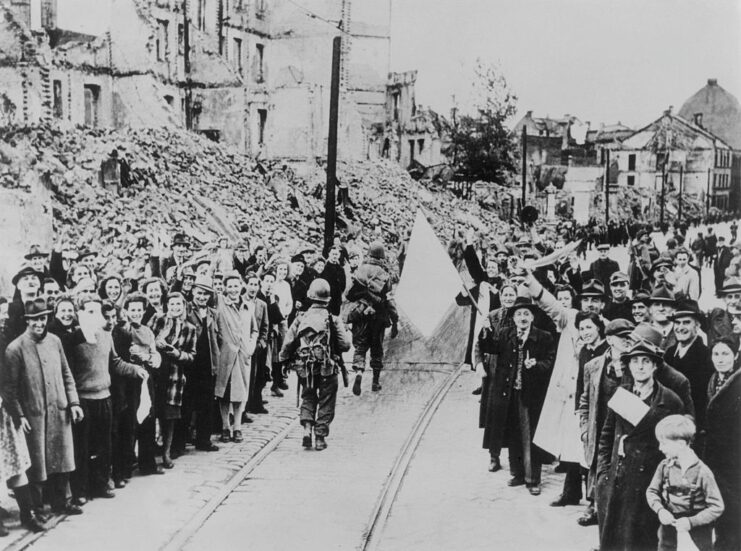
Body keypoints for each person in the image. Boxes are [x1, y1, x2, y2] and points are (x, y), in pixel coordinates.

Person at [596, 340, 684, 551]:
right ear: (629, 366)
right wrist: (603, 471)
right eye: (635, 361)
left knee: (642, 540)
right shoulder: (621, 395)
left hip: (649, 483)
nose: (640, 366)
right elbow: (606, 436)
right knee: (613, 539)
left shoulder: (670, 401)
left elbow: (680, 445)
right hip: (618, 478)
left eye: (646, 361)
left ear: (655, 366)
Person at [2, 297, 85, 520]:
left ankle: (62, 502)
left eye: (42, 318)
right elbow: (10, 389)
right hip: (34, 415)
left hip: (59, 410)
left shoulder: (56, 341)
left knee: (62, 459)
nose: (39, 324)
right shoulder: (15, 348)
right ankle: (36, 509)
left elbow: (67, 375)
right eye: (34, 320)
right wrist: (20, 416)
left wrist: (74, 402)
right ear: (27, 321)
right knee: (37, 466)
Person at [66, 295, 147, 502]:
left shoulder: (105, 336)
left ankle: (101, 484)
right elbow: (68, 372)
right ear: (81, 313)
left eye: (97, 312)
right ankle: (81, 491)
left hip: (105, 397)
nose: (94, 316)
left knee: (104, 445)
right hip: (84, 399)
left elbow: (116, 362)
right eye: (89, 312)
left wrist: (136, 370)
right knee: (83, 448)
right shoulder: (73, 338)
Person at [477, 297, 555, 495]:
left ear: (532, 317)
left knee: (529, 438)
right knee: (513, 436)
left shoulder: (543, 337)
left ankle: (532, 479)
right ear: (513, 318)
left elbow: (550, 363)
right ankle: (517, 474)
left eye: (526, 314)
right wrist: (485, 331)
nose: (522, 318)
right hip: (508, 394)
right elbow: (490, 348)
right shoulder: (505, 334)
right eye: (518, 314)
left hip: (530, 396)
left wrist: (536, 365)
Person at [280, 279, 351, 451]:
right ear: (327, 299)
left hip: (306, 368)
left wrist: (284, 361)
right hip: (327, 368)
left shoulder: (300, 318)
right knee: (327, 401)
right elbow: (345, 345)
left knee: (308, 395)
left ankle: (306, 430)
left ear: (310, 297)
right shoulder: (332, 319)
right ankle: (320, 437)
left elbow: (288, 343)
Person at [578, 319, 634, 528]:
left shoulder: (634, 365)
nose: (628, 341)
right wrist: (584, 428)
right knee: (597, 470)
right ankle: (594, 507)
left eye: (630, 337)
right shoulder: (592, 366)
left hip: (623, 430)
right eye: (623, 337)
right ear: (610, 339)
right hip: (599, 425)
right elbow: (585, 399)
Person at [646, 415, 724, 551]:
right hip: (668, 532)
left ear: (681, 444)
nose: (660, 448)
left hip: (697, 533)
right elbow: (652, 491)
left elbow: (717, 507)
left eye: (664, 443)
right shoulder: (664, 466)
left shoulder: (703, 472)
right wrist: (660, 510)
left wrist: (691, 522)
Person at [111, 293, 162, 483]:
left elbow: (153, 352)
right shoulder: (122, 331)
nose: (136, 313)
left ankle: (147, 464)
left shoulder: (147, 331)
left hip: (146, 376)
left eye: (140, 310)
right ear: (126, 311)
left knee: (148, 417)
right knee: (130, 422)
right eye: (133, 310)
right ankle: (124, 468)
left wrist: (153, 358)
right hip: (129, 380)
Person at [149, 292, 197, 468]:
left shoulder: (190, 328)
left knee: (170, 415)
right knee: (153, 413)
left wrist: (178, 354)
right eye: (172, 304)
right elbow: (145, 339)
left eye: (179, 305)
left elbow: (192, 355)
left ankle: (166, 453)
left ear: (184, 306)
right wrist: (157, 341)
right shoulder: (157, 319)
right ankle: (152, 450)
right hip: (156, 372)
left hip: (174, 375)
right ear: (167, 305)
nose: (175, 308)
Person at [703, 337, 741, 551]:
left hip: (733, 460)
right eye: (716, 354)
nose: (720, 359)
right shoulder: (713, 380)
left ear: (735, 356)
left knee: (733, 514)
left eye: (725, 354)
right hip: (716, 459)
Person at [347, 241, 398, 395]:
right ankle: (375, 383)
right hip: (378, 317)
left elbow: (349, 294)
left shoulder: (359, 271)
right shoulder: (385, 275)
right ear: (382, 256)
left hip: (360, 314)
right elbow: (389, 301)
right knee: (377, 348)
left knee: (360, 347)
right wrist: (395, 319)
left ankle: (359, 373)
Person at [214, 273, 257, 443]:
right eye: (229, 286)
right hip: (225, 356)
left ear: (242, 286)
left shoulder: (247, 306)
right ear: (225, 288)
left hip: (242, 355)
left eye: (236, 286)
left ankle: (237, 427)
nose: (233, 289)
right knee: (223, 393)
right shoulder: (220, 303)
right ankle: (225, 426)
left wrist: (250, 346)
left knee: (240, 393)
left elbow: (254, 330)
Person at [663, 300, 713, 442]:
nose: (680, 327)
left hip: (692, 428)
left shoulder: (705, 355)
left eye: (686, 323)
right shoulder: (669, 354)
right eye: (677, 323)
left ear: (697, 326)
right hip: (668, 423)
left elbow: (704, 397)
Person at [181, 276, 220, 452]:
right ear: (193, 292)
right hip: (190, 364)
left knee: (206, 404)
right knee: (186, 403)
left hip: (208, 364)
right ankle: (180, 442)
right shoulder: (187, 309)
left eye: (206, 294)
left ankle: (203, 440)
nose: (202, 297)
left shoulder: (213, 313)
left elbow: (218, 338)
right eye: (199, 293)